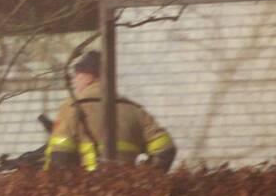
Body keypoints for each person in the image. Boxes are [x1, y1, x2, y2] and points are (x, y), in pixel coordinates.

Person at [44, 51, 177, 171]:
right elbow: (165, 149)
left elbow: (60, 156)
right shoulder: (134, 110)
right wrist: (144, 180)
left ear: (90, 76)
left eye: (77, 75)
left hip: (85, 191)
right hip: (126, 192)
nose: (74, 81)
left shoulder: (72, 107)